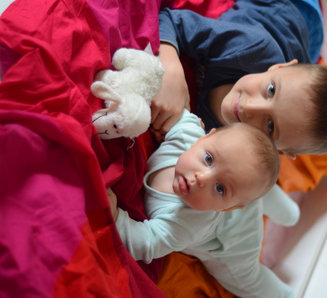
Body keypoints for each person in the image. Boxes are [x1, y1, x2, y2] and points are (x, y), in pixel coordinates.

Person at [108, 109, 299, 298]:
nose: (202, 178)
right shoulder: (188, 135)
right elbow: (176, 112)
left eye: (219, 188)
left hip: (234, 241)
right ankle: (288, 212)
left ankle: (285, 294)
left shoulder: (188, 222)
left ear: (227, 208)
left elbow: (147, 243)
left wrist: (117, 219)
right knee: (253, 185)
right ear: (205, 137)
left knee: (248, 279)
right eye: (208, 159)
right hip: (241, 195)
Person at [150, 0, 327, 157]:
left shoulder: (236, 154)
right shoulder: (250, 47)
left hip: (300, 53)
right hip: (288, 9)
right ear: (279, 67)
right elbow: (170, 19)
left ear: (279, 153)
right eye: (270, 91)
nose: (250, 108)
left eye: (270, 127)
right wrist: (170, 67)